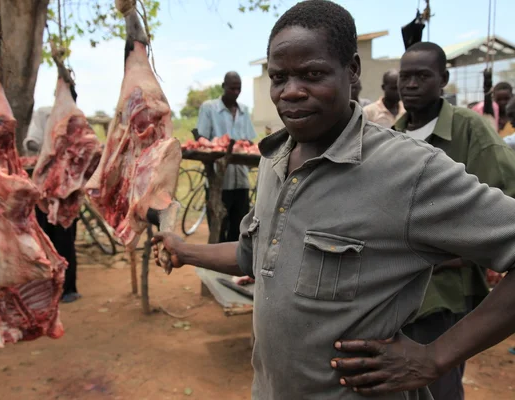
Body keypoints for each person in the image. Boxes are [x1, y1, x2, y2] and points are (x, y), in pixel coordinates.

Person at [151, 2, 515, 399]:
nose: (291, 91)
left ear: (352, 70)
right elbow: (254, 254)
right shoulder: (276, 160)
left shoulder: (408, 170)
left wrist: (436, 357)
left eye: (313, 74)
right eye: (279, 77)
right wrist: (184, 251)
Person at [393, 41, 515, 400]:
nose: (411, 84)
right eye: (405, 77)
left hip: (443, 294)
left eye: (422, 76)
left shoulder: (470, 131)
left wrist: (458, 250)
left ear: (443, 79)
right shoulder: (391, 137)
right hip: (392, 293)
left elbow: (506, 201)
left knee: (437, 387)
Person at [24, 101, 81, 304]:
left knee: (65, 241)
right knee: (45, 241)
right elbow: (31, 142)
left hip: (67, 194)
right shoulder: (44, 113)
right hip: (44, 192)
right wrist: (49, 146)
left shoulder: (77, 118)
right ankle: (52, 287)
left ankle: (67, 288)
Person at [196, 71, 257, 243]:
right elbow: (202, 139)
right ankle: (216, 267)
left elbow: (249, 142)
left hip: (241, 181)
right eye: (232, 88)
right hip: (219, 182)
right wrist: (217, 144)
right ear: (223, 87)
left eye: (239, 89)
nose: (236, 92)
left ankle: (234, 267)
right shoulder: (209, 108)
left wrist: (245, 146)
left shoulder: (244, 111)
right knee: (218, 229)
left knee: (239, 230)